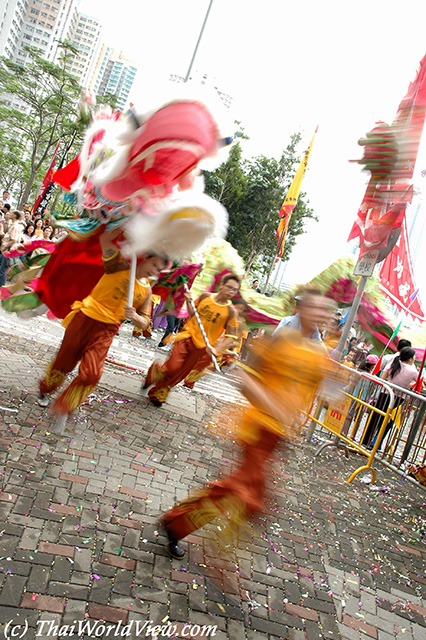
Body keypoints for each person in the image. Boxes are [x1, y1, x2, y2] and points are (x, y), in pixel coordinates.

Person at [159, 289, 336, 559]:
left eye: (326, 311)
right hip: (257, 427)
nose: (322, 315)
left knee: (249, 494)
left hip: (279, 434)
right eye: (316, 308)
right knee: (246, 492)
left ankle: (182, 526)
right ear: (300, 308)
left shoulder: (320, 352)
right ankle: (178, 525)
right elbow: (245, 378)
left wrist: (340, 384)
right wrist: (270, 403)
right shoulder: (280, 340)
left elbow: (324, 395)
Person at [37, 229, 168, 434]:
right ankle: (45, 389)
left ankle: (64, 406)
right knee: (64, 362)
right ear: (145, 257)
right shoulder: (119, 265)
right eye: (154, 264)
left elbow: (145, 322)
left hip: (107, 330)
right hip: (85, 318)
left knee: (92, 374)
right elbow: (105, 240)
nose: (155, 271)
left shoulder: (147, 290)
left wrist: (134, 316)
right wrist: (123, 224)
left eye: (160, 269)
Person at [144, 273, 241, 407]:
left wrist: (216, 349)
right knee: (173, 366)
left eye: (234, 290)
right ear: (222, 285)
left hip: (202, 347)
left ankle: (158, 393)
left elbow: (231, 337)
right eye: (229, 287)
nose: (231, 292)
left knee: (181, 373)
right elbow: (191, 314)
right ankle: (156, 371)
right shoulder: (205, 297)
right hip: (187, 337)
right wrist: (189, 301)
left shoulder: (231, 312)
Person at [362, 347, 418, 449]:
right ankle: (376, 444)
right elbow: (419, 383)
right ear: (410, 358)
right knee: (388, 421)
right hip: (399, 399)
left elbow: (383, 377)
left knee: (375, 418)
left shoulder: (394, 363)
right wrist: (408, 385)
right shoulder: (413, 370)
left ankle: (365, 441)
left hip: (384, 393)